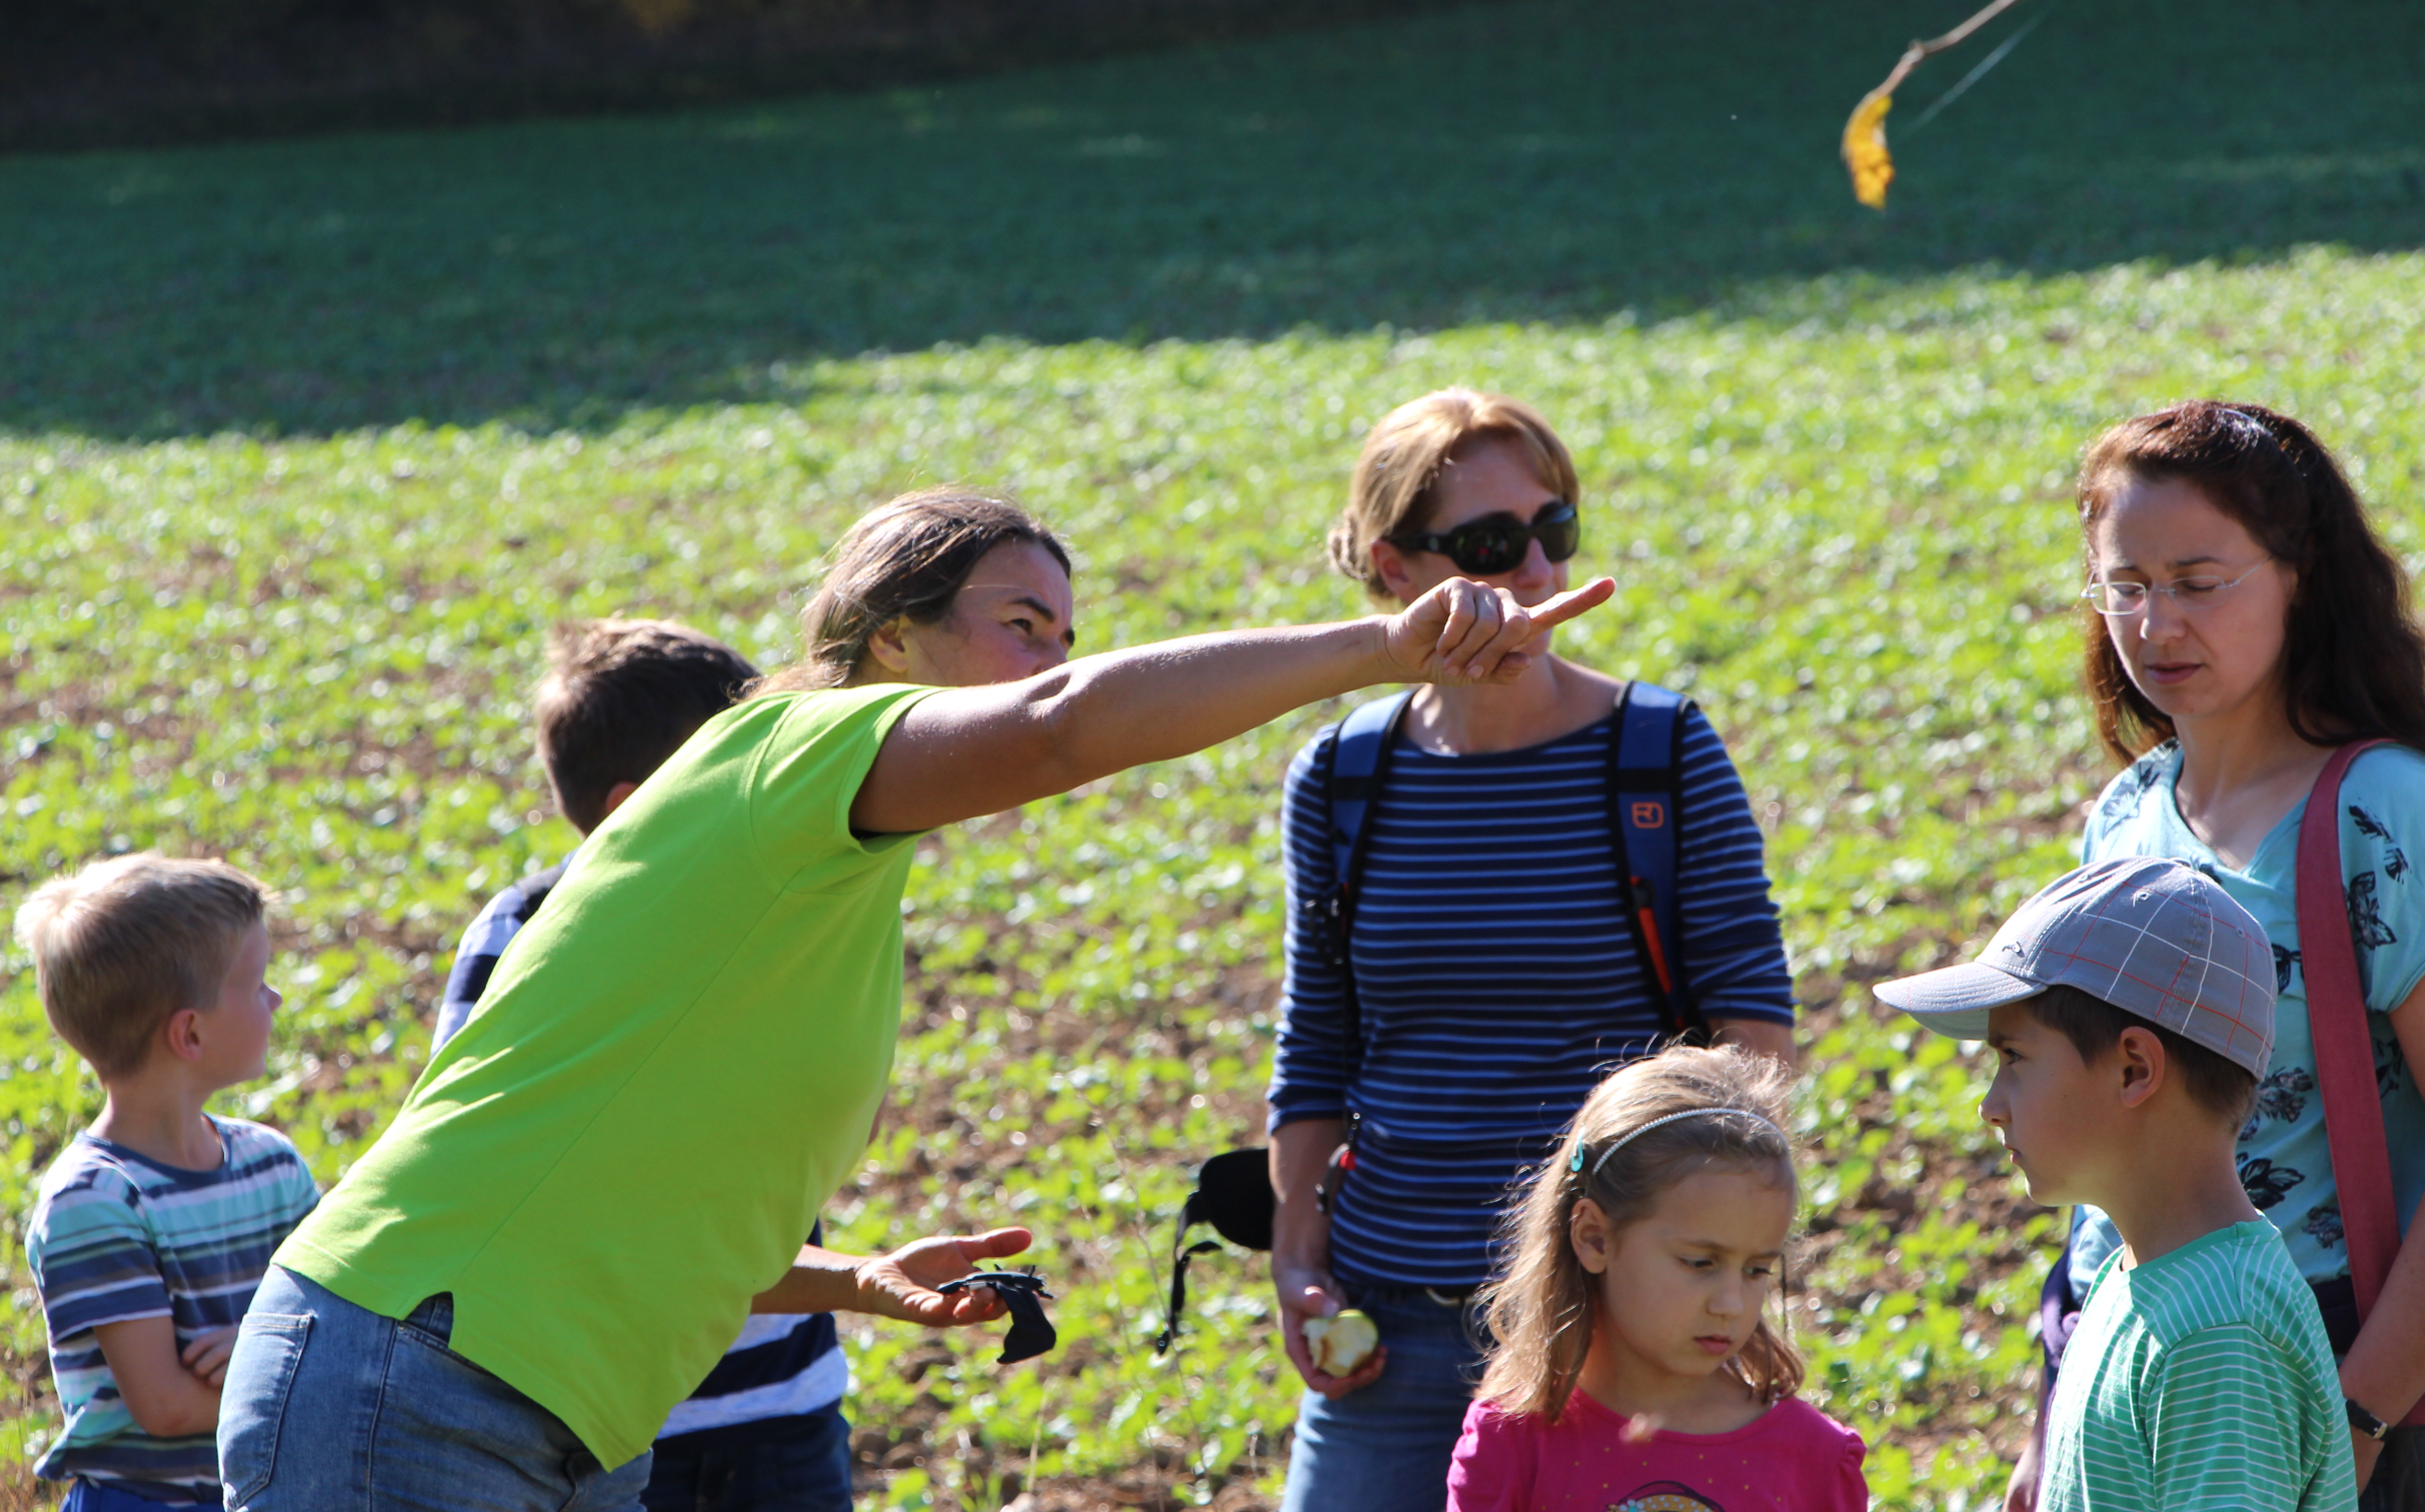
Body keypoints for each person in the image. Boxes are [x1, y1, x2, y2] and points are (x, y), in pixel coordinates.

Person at [217, 484, 1615, 1511]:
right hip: (418, 1380)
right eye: (1021, 626)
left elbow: (616, 1177)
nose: (1051, 664)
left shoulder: (810, 878)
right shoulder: (791, 745)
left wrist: (850, 1282)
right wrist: (1385, 651)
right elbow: (1067, 728)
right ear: (890, 639)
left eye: (1065, 632)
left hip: (536, 1411)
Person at [1266, 389, 1794, 1512]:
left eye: (1551, 531)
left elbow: (1749, 1031)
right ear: (1391, 564)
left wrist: (1712, 1266)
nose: (1537, 574)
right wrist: (1296, 1255)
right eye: (1491, 546)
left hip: (1607, 1324)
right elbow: (1316, 1044)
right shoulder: (1342, 778)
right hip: (1392, 1313)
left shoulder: (1657, 755)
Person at [2005, 401, 2425, 1508]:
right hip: (2133, 1355)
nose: (2154, 623)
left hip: (2314, 1376)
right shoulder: (2124, 815)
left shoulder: (2387, 815)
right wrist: (2050, 1408)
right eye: (2125, 585)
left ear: (2297, 575)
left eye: (2198, 581)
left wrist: (2355, 1411)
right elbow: (2112, 1138)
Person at [435, 618, 867, 1512]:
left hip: (781, 1403)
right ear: (637, 807)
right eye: (743, 779)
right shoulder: (524, 932)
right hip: (609, 1414)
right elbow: (478, 1141)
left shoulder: (785, 922)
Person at [1879, 856, 2354, 1512]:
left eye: (2013, 1058)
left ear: (2134, 1069)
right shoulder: (2137, 1276)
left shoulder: (2220, 1337)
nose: (1990, 1104)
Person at [16, 855, 321, 1511]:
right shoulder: (93, 1202)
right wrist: (279, 1366)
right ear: (190, 1032)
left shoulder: (274, 1164)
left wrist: (264, 1343)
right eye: (258, 983)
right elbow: (164, 1406)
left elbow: (325, 1323)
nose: (276, 999)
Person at [1446, 1043, 1865, 1512]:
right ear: (1594, 1239)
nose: (1731, 1303)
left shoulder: (1811, 1459)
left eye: (1756, 1270)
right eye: (1700, 1263)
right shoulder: (1514, 1442)